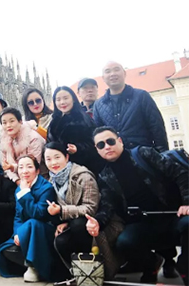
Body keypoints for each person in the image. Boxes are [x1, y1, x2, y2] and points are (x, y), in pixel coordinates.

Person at [85, 126, 188, 284]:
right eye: (101, 145)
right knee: (125, 242)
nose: (107, 147)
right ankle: (151, 265)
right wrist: (97, 222)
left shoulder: (143, 154)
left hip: (173, 216)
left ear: (120, 141)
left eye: (110, 141)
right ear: (97, 149)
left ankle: (184, 268)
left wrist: (187, 203)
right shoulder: (104, 176)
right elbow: (107, 205)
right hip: (143, 224)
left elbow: (180, 173)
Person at [0, 155, 58, 283]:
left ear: (37, 170)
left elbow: (38, 214)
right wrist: (17, 233)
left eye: (29, 167)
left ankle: (33, 266)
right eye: (21, 167)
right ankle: (31, 262)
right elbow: (18, 215)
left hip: (42, 230)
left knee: (33, 223)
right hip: (26, 230)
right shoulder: (19, 188)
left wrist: (25, 193)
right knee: (5, 250)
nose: (24, 171)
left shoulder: (46, 188)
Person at [44, 142, 98, 279]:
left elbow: (91, 208)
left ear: (67, 157)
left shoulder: (83, 175)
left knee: (78, 225)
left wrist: (62, 211)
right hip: (70, 223)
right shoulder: (51, 180)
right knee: (58, 239)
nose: (53, 163)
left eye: (57, 157)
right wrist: (62, 220)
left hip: (92, 225)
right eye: (48, 159)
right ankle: (74, 274)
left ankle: (90, 270)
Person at [93, 61, 169, 152]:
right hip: (116, 157)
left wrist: (163, 154)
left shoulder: (141, 96)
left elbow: (157, 127)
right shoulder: (99, 105)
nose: (112, 74)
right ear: (103, 78)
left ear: (124, 73)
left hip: (143, 154)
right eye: (108, 71)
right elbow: (99, 135)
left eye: (116, 69)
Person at [48, 86, 105, 174]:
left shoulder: (83, 119)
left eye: (65, 98)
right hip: (60, 168)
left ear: (73, 99)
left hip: (83, 168)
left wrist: (77, 149)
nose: (62, 102)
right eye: (58, 99)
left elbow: (94, 144)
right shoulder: (54, 121)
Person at [0, 107, 46, 182]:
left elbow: (33, 166)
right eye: (4, 123)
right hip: (16, 178)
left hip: (38, 178)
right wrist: (16, 180)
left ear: (20, 121)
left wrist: (12, 168)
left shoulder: (33, 138)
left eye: (12, 121)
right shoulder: (4, 139)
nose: (8, 125)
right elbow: (5, 166)